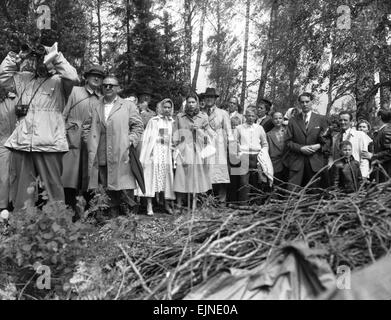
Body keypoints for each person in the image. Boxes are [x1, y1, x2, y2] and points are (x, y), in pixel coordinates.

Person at [0, 41, 79, 209]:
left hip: (49, 142)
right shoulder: (24, 79)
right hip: (23, 142)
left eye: (44, 59)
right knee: (22, 191)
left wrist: (54, 54)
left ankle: (57, 225)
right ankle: (22, 226)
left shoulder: (60, 82)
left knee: (53, 189)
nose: (40, 63)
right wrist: (15, 55)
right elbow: (2, 77)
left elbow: (73, 76)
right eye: (37, 60)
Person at [85, 75, 144, 217]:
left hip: (121, 153)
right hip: (101, 152)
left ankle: (130, 220)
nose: (108, 87)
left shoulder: (128, 106)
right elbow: (86, 127)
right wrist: (89, 142)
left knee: (125, 186)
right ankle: (111, 220)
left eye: (112, 85)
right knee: (106, 186)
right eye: (105, 85)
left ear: (118, 88)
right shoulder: (95, 105)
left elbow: (138, 126)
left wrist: (130, 141)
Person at [62, 64, 105, 214]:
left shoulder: (102, 99)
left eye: (99, 77)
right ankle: (69, 211)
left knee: (90, 175)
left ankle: (90, 211)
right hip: (72, 138)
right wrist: (62, 134)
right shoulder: (74, 91)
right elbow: (63, 114)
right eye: (93, 75)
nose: (96, 78)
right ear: (86, 78)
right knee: (70, 176)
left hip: (92, 141)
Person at [172, 93, 214, 211]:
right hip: (183, 149)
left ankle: (194, 204)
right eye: (189, 102)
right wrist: (176, 147)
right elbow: (175, 133)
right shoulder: (180, 116)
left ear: (197, 103)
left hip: (197, 150)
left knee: (195, 177)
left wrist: (199, 130)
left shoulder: (203, 117)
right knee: (181, 177)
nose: (191, 104)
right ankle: (179, 204)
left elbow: (209, 136)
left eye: (193, 102)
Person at [284, 92, 329, 190]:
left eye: (307, 101)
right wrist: (300, 148)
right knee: (292, 193)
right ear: (299, 104)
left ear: (311, 102)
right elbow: (288, 142)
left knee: (314, 192)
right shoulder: (293, 120)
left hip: (315, 161)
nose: (305, 104)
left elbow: (328, 141)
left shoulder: (321, 119)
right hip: (297, 162)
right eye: (302, 102)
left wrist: (319, 146)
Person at [138, 98, 175, 216]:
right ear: (161, 108)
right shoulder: (154, 121)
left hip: (166, 152)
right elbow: (147, 138)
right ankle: (149, 204)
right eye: (165, 107)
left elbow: (174, 138)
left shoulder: (172, 122)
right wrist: (149, 152)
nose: (167, 109)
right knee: (151, 177)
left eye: (169, 107)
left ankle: (166, 204)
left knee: (166, 177)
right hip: (154, 152)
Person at [202, 87, 233, 203]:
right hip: (205, 145)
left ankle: (221, 201)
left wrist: (232, 148)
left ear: (215, 99)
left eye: (211, 97)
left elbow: (229, 131)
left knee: (220, 173)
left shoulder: (223, 113)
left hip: (219, 147)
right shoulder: (201, 113)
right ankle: (206, 200)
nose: (209, 99)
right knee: (206, 172)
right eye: (207, 97)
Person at [235, 107, 269, 202]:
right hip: (244, 156)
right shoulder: (239, 128)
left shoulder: (259, 128)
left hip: (256, 156)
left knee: (256, 181)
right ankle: (243, 204)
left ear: (255, 117)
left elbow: (265, 143)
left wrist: (263, 155)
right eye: (248, 115)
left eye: (253, 116)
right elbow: (235, 142)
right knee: (243, 182)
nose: (250, 118)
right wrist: (240, 152)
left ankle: (256, 204)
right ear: (245, 116)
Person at [331, 111, 372, 180]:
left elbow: (364, 157)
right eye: (340, 120)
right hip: (340, 175)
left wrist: (364, 175)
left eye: (345, 120)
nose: (342, 122)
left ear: (351, 121)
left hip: (355, 174)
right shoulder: (335, 137)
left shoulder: (359, 135)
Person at [0, 88, 17, 211]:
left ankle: (16, 206)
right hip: (3, 141)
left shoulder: (17, 98)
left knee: (18, 175)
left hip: (19, 141)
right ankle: (3, 208)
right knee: (3, 176)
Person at [267, 111, 288, 186]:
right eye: (275, 118)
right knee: (277, 186)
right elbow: (268, 151)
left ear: (283, 119)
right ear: (272, 120)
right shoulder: (268, 134)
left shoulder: (288, 131)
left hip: (288, 163)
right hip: (275, 164)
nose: (278, 120)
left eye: (280, 118)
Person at [371, 109, 391, 182]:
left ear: (379, 117)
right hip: (381, 169)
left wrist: (374, 156)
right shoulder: (381, 131)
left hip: (386, 170)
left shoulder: (386, 131)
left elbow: (389, 152)